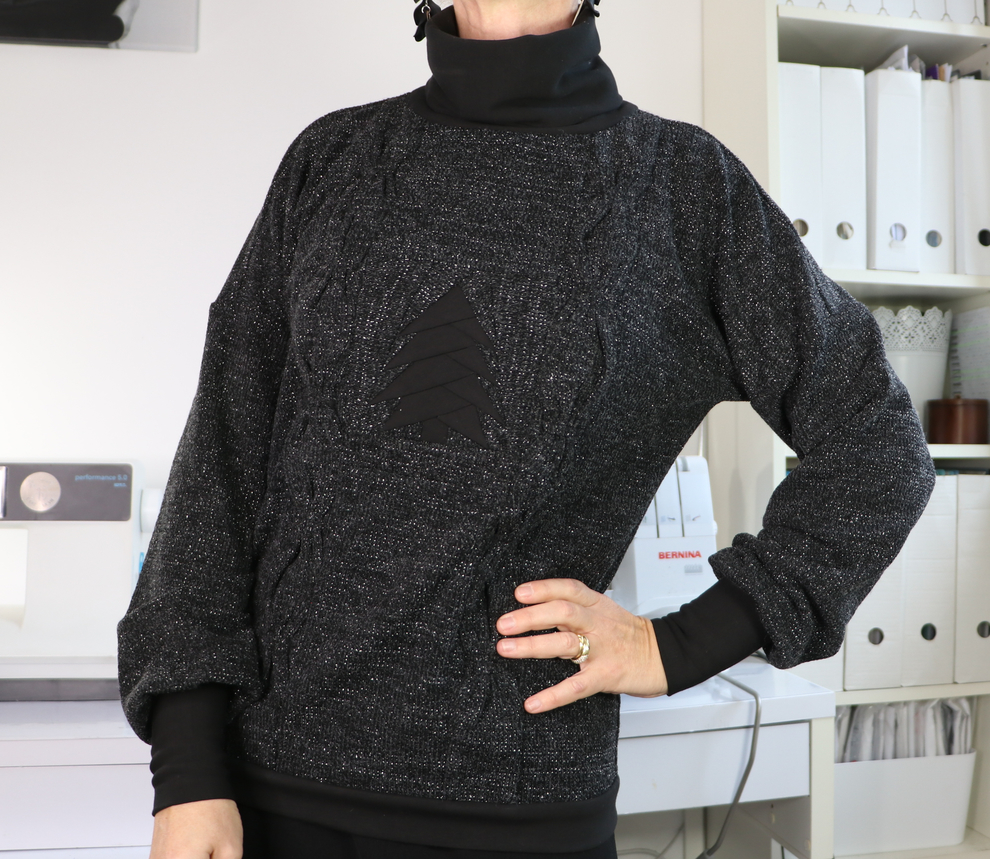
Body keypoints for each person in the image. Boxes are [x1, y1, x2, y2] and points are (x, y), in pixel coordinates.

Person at [116, 0, 936, 857]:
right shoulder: (333, 159)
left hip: (519, 813)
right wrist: (187, 769)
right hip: (267, 794)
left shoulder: (685, 189)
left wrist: (680, 644)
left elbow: (878, 447)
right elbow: (218, 473)